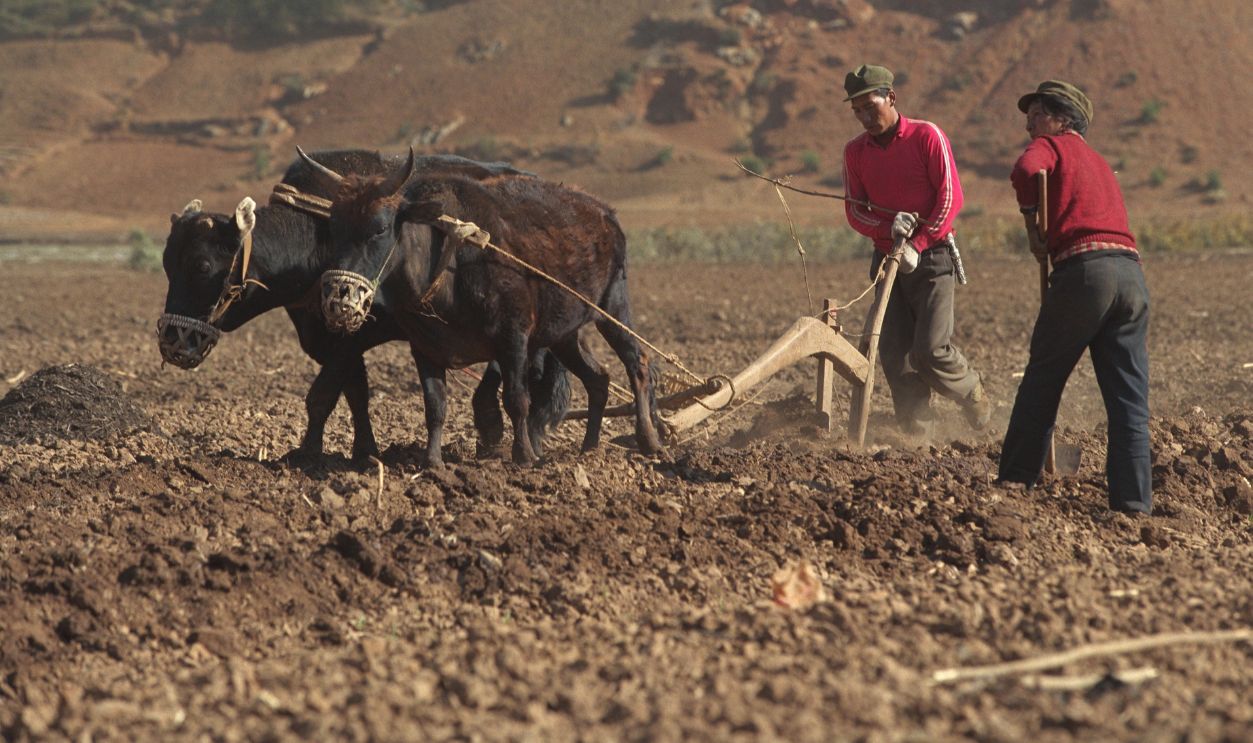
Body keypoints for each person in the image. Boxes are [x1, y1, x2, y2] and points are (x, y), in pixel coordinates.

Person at [998, 80, 1151, 515]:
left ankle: (1012, 486)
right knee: (1128, 402)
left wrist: (1034, 224)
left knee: (1041, 383)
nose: (1030, 124)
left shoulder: (1054, 147)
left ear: (1064, 119)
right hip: (1131, 277)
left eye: (1039, 113)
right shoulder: (1100, 163)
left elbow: (1027, 171)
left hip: (1086, 274)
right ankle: (1134, 506)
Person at [840, 64, 990, 437]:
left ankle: (971, 392)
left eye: (870, 107)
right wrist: (887, 231)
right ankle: (917, 433)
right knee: (894, 353)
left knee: (929, 349)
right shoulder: (855, 152)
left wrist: (919, 244)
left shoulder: (927, 136)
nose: (864, 118)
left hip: (934, 256)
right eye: (856, 111)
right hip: (887, 258)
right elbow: (855, 210)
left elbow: (951, 198)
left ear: (891, 98)